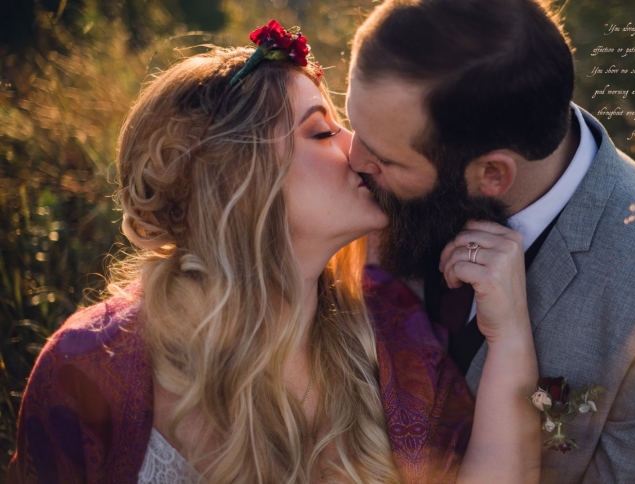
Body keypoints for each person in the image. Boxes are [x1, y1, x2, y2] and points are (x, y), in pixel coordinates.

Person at [8, 21, 541, 483]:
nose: (355, 148)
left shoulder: (393, 332)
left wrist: (511, 337)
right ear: (240, 176)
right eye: (321, 131)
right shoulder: (89, 367)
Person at [346, 0, 635, 482]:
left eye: (385, 160)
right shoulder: (382, 156)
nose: (352, 158)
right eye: (353, 125)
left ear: (493, 174)